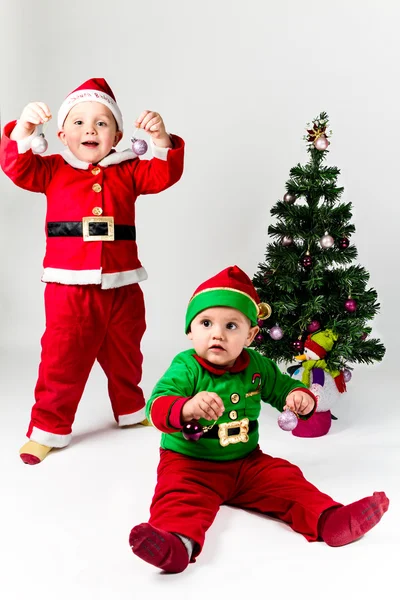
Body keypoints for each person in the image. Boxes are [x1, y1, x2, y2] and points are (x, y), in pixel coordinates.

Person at [129, 265, 389, 573]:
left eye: (231, 326)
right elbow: (157, 404)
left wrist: (298, 398)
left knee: (286, 480)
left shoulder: (256, 364)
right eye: (206, 323)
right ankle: (175, 545)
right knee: (178, 498)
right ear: (190, 330)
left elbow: (282, 387)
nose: (217, 334)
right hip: (190, 463)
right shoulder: (187, 367)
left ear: (251, 334)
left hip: (246, 462)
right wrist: (185, 408)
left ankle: (330, 520)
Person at [0, 78, 185, 465]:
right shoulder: (49, 170)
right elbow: (16, 168)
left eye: (102, 123)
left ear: (117, 134)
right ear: (63, 134)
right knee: (62, 357)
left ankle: (131, 410)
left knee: (126, 351)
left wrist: (161, 139)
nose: (90, 130)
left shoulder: (130, 170)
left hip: (123, 282)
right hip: (69, 287)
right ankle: (48, 428)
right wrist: (24, 129)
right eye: (80, 122)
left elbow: (163, 175)